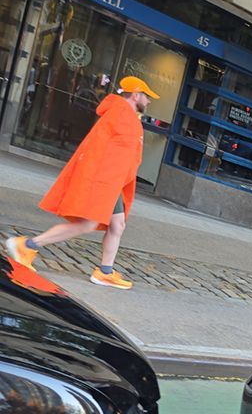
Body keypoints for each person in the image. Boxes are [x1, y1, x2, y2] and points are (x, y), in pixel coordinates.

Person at [5, 76, 158, 289]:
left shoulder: (123, 114)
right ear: (135, 94)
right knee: (87, 224)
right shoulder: (122, 115)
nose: (149, 101)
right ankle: (28, 245)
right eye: (147, 96)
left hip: (110, 182)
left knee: (117, 224)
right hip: (106, 182)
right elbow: (109, 154)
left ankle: (105, 271)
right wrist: (106, 185)